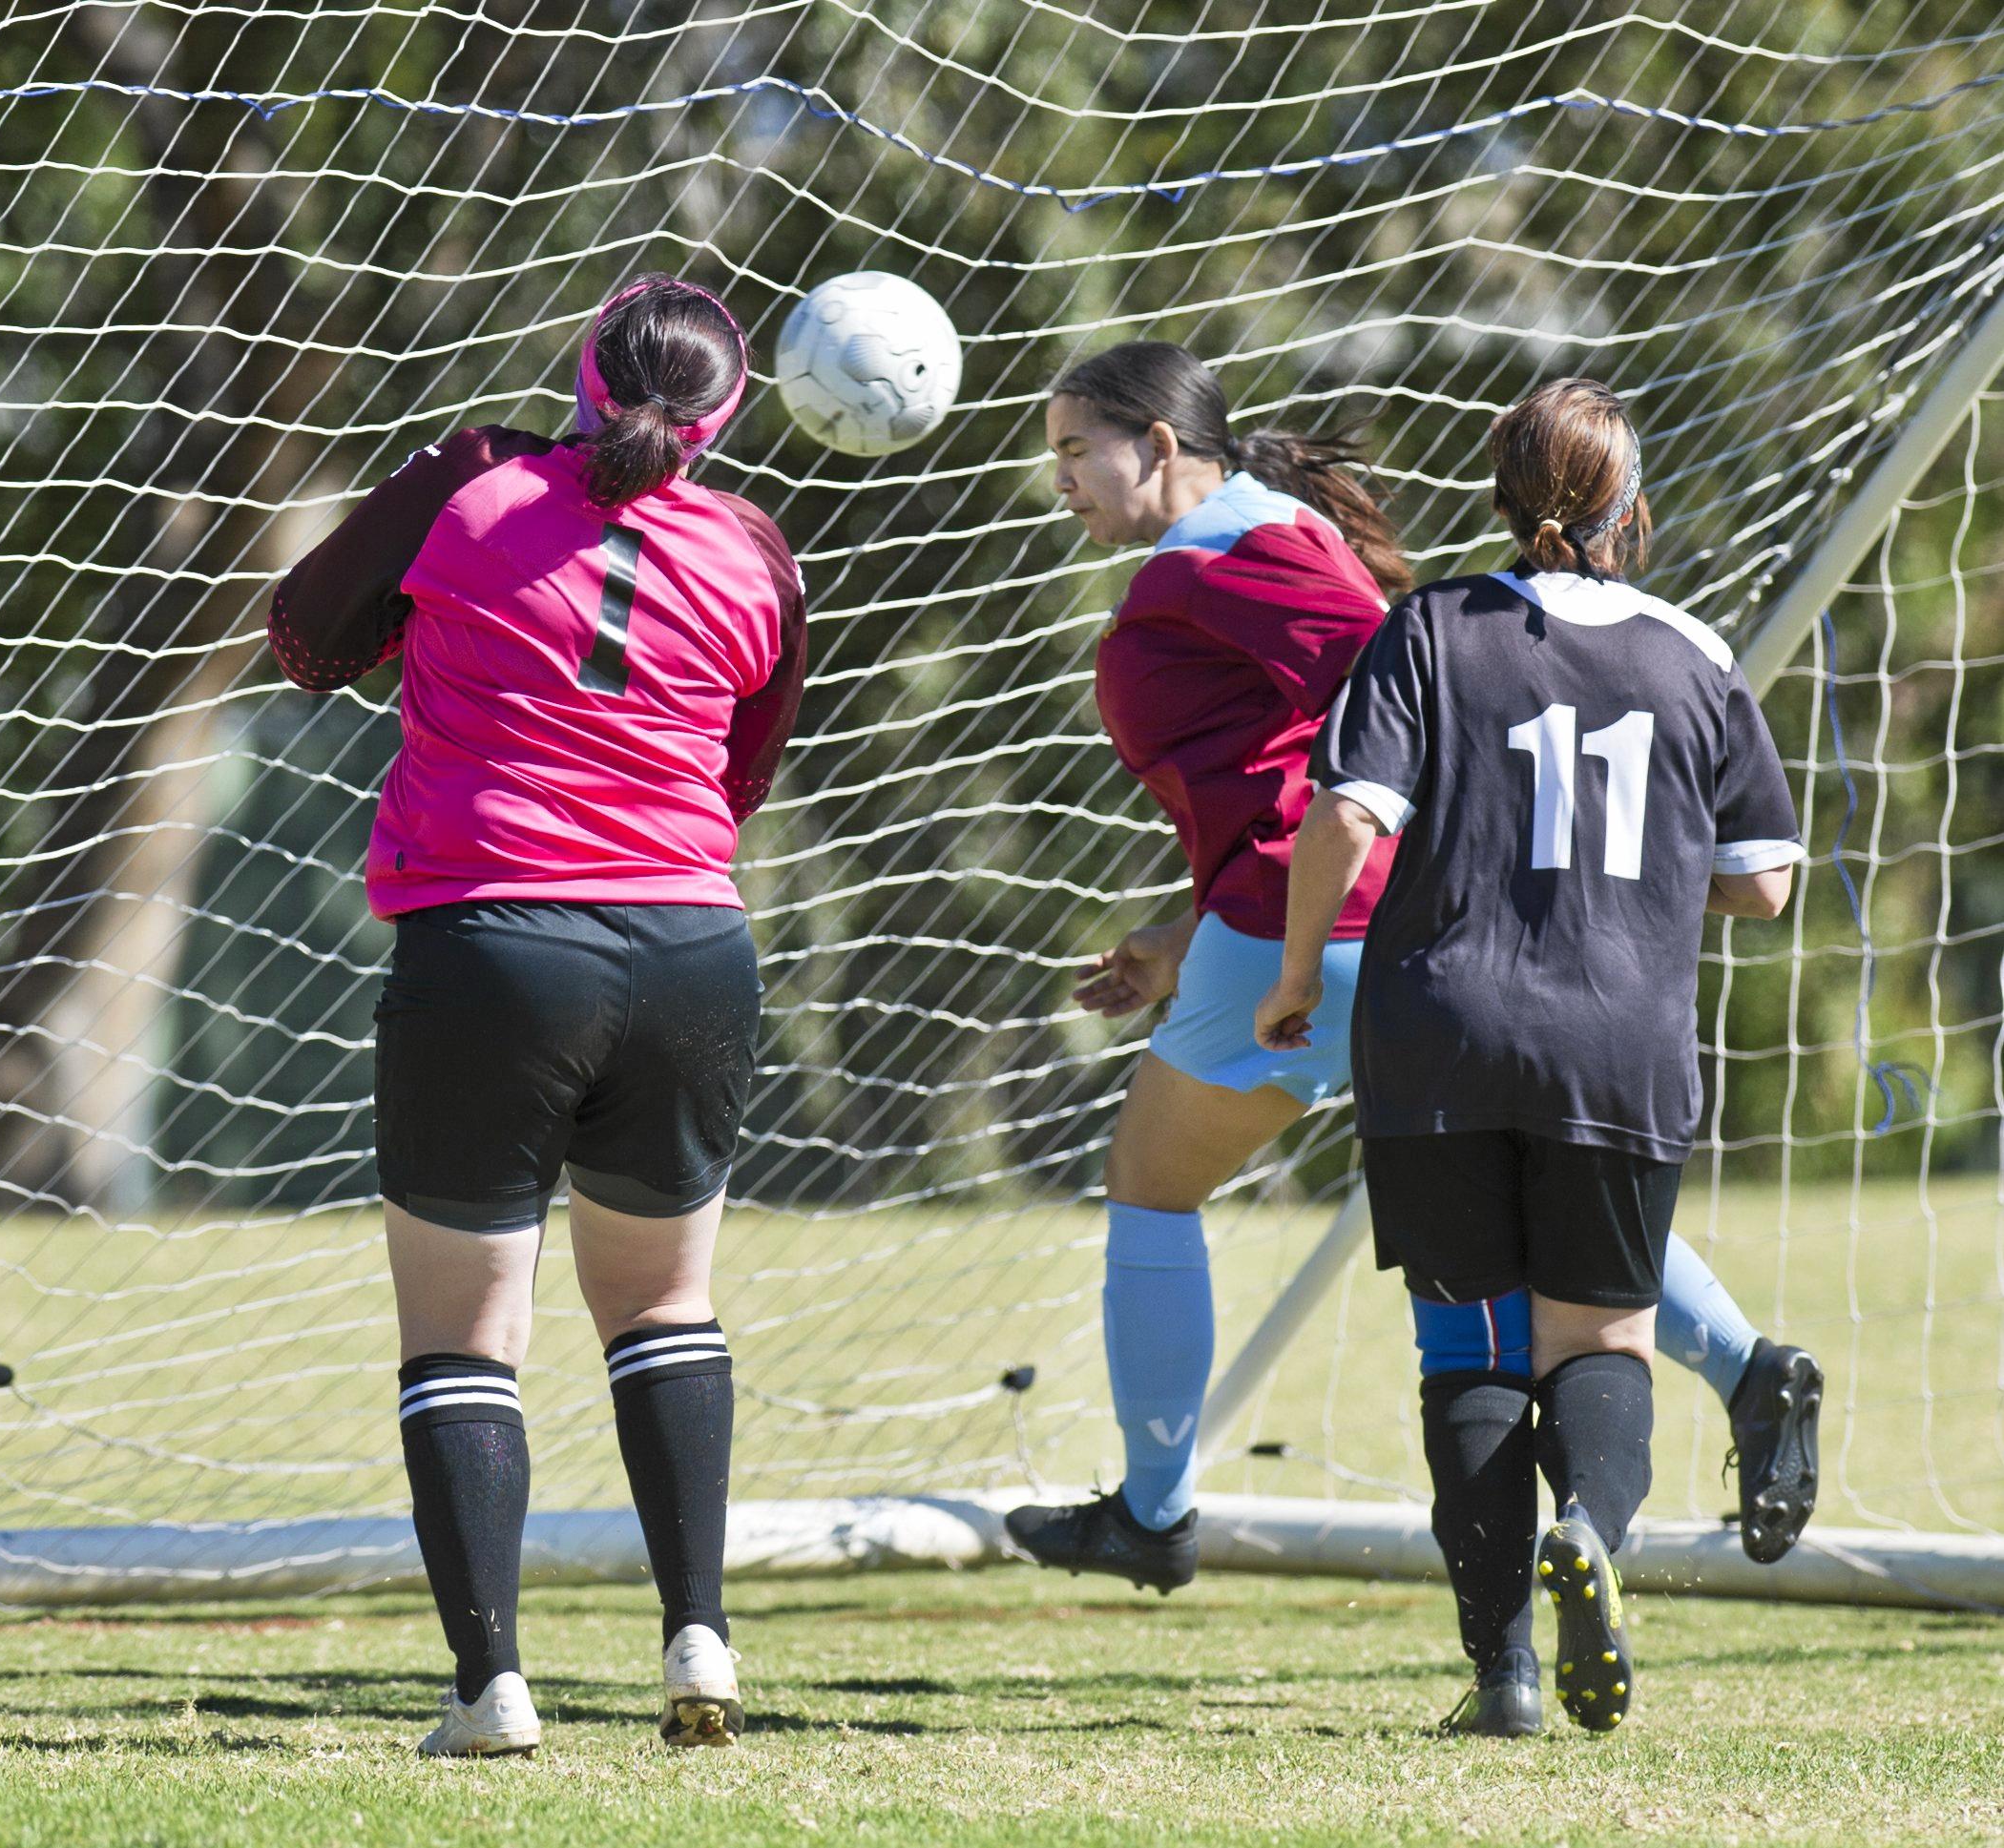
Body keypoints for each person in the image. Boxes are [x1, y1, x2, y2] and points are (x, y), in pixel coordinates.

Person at [1004, 346, 1820, 1604]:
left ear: (1158, 445)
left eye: (1072, 448)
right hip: (1316, 923)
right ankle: (1748, 1368)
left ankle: (1154, 1511)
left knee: (1148, 1189)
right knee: (1547, 1191)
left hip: (1329, 930)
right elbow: (1297, 755)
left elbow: (1401, 691)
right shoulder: (1230, 545)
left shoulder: (1241, 544)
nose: (1057, 476)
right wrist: (1181, 932)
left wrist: (1310, 915)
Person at [268, 275, 804, 1755]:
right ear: (725, 417)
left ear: (580, 376)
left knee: (464, 1332)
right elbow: (742, 776)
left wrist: (459, 475)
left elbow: (303, 644)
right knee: (661, 1304)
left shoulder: (474, 485)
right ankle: (699, 1631)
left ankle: (489, 1685)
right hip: (693, 944)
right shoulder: (756, 548)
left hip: (496, 943)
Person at [1256, 378, 1805, 1736]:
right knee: (1601, 1335)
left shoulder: (1429, 628)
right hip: (1615, 1045)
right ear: (1631, 503)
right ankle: (1594, 1530)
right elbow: (1765, 882)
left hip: (1438, 1031)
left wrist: (1289, 969)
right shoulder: (1693, 654)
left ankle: (1499, 1676)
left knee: (1467, 1350)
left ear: (1501, 493)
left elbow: (1342, 814)